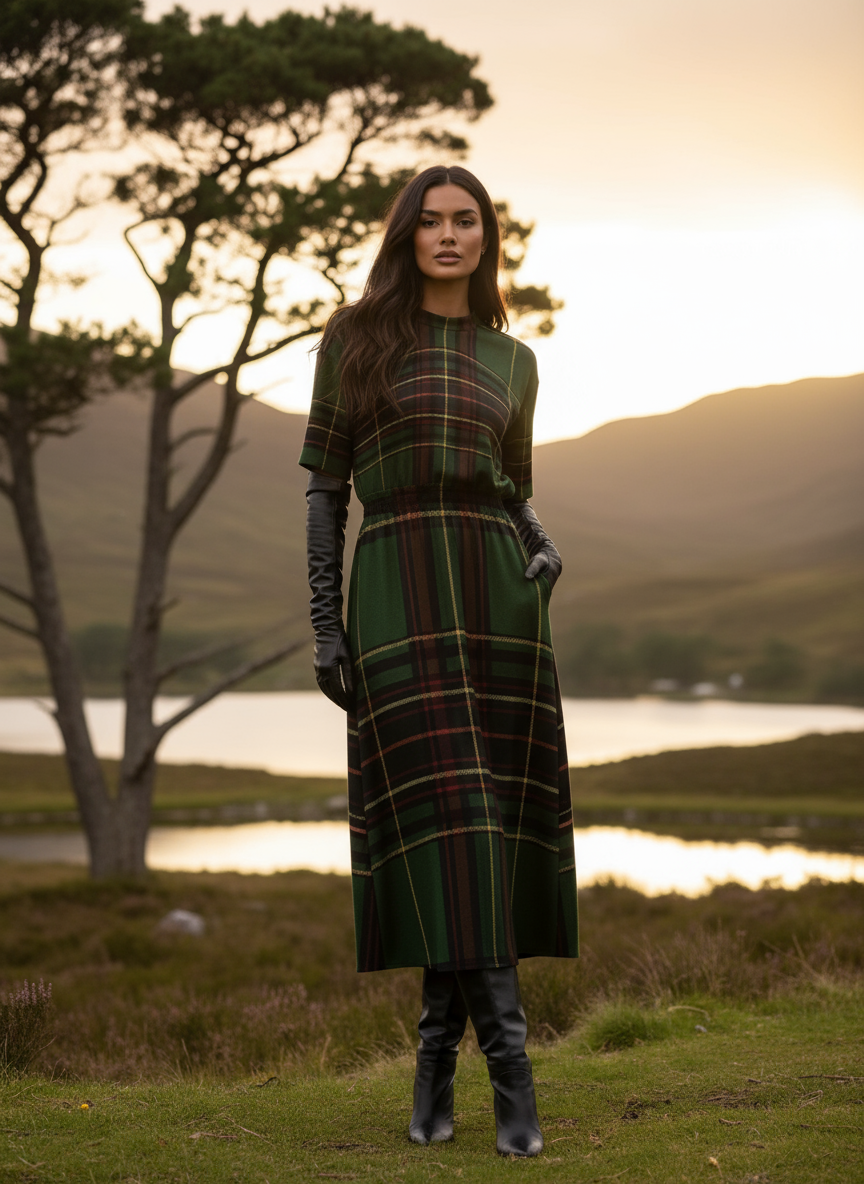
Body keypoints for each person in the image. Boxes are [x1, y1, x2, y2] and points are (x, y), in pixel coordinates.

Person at [300, 165, 578, 1158]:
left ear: (487, 238)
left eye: (467, 221)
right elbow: (327, 490)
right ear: (407, 234)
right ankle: (513, 1076)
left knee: (476, 836)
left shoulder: (515, 360)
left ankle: (434, 1069)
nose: (449, 235)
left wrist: (540, 539)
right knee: (445, 827)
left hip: (498, 598)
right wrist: (327, 623)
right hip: (397, 589)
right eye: (432, 221)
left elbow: (509, 481)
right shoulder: (357, 338)